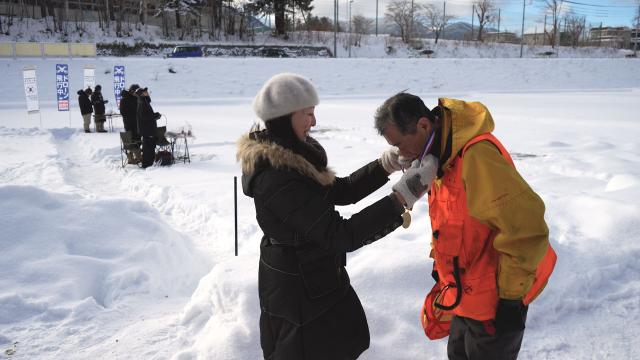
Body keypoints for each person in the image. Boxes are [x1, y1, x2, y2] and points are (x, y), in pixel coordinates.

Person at [236, 73, 437, 360]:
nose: (314, 122)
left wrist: (385, 165)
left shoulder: (293, 154)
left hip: (316, 278)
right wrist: (403, 197)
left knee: (340, 342)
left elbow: (339, 191)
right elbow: (339, 235)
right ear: (284, 117)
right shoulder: (276, 176)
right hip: (297, 291)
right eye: (307, 114)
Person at [374, 93, 554, 360]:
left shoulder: (476, 157)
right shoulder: (438, 159)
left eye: (400, 144)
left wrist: (510, 300)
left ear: (424, 125)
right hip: (462, 297)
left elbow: (527, 229)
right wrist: (442, 267)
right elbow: (455, 221)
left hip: (494, 304)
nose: (401, 154)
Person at [136, 87, 161, 168]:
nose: (147, 92)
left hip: (149, 129)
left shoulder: (145, 101)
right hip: (147, 130)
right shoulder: (142, 102)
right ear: (142, 94)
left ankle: (148, 164)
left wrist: (155, 116)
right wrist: (155, 116)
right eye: (145, 91)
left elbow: (147, 116)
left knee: (150, 148)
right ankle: (147, 165)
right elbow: (145, 117)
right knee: (148, 149)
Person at [119, 84, 142, 164]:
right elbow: (123, 112)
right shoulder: (124, 99)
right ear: (132, 91)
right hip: (129, 124)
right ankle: (134, 157)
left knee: (137, 140)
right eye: (136, 92)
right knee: (132, 141)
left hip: (137, 123)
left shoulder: (136, 98)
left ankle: (133, 157)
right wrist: (134, 115)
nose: (137, 93)